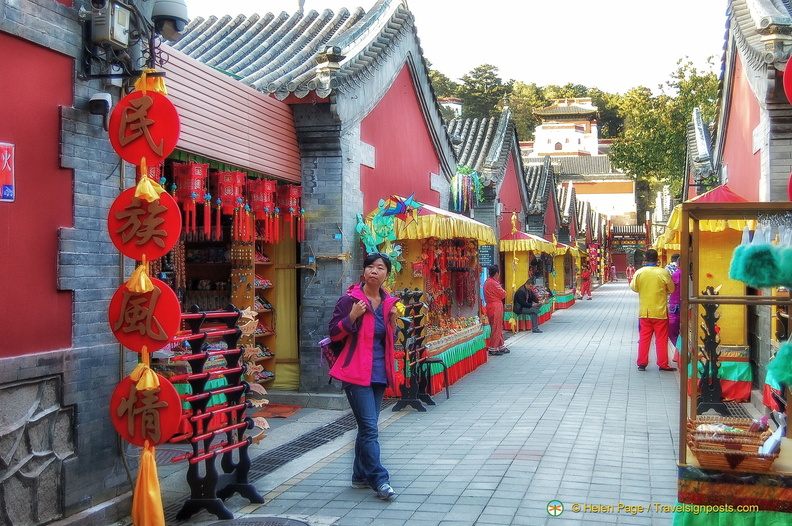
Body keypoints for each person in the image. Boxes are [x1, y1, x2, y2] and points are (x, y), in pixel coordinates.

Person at [327, 252, 399, 500]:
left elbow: (390, 339)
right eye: (370, 266)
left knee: (366, 427)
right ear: (364, 272)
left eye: (380, 267)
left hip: (379, 373)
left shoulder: (389, 303)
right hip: (355, 372)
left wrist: (394, 324)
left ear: (386, 274)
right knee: (370, 428)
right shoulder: (350, 301)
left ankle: (359, 475)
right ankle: (380, 479)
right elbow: (334, 334)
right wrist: (352, 317)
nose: (374, 271)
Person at [630, 249, 676, 372]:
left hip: (645, 311)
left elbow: (634, 287)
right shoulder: (663, 273)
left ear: (645, 259)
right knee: (661, 338)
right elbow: (671, 289)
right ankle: (663, 364)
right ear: (657, 259)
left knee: (644, 338)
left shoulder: (639, 272)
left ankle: (642, 363)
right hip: (660, 311)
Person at [483, 265, 508, 356]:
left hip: (490, 306)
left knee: (496, 327)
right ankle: (493, 347)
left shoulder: (487, 282)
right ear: (497, 273)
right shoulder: (494, 283)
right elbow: (503, 293)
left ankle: (501, 345)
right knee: (496, 327)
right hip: (495, 306)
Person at [668, 262, 682, 362]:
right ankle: (679, 351)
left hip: (676, 305)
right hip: (680, 304)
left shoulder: (677, 274)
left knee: (672, 328)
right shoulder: (679, 274)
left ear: (678, 264)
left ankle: (679, 350)